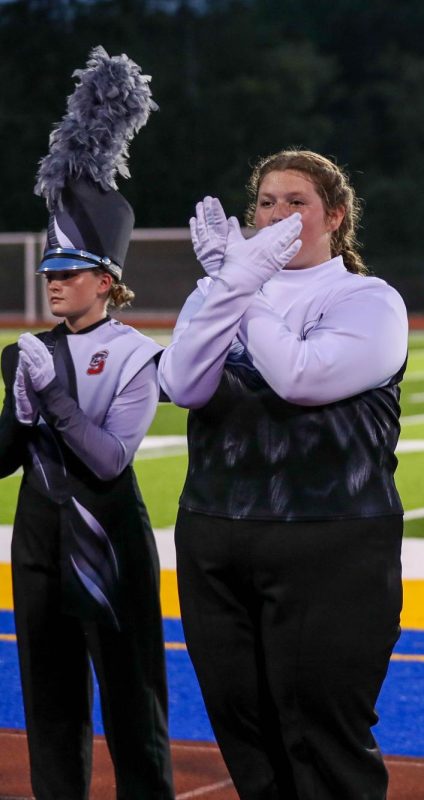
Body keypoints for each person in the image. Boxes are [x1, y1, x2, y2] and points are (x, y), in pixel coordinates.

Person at [158, 149, 408, 798]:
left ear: (335, 216)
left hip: (331, 541)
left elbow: (300, 377)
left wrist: (237, 286)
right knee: (245, 729)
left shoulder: (368, 299)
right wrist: (227, 284)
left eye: (296, 202)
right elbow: (182, 382)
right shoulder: (219, 289)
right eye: (266, 202)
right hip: (214, 532)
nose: (277, 214)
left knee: (323, 735)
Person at [0, 46, 173, 799]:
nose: (53, 285)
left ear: (106, 280)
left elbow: (108, 460)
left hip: (108, 535)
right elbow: (5, 458)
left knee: (133, 705)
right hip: (36, 533)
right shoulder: (28, 351)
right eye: (49, 274)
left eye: (67, 275)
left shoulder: (138, 353)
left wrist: (55, 401)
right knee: (49, 703)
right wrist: (19, 401)